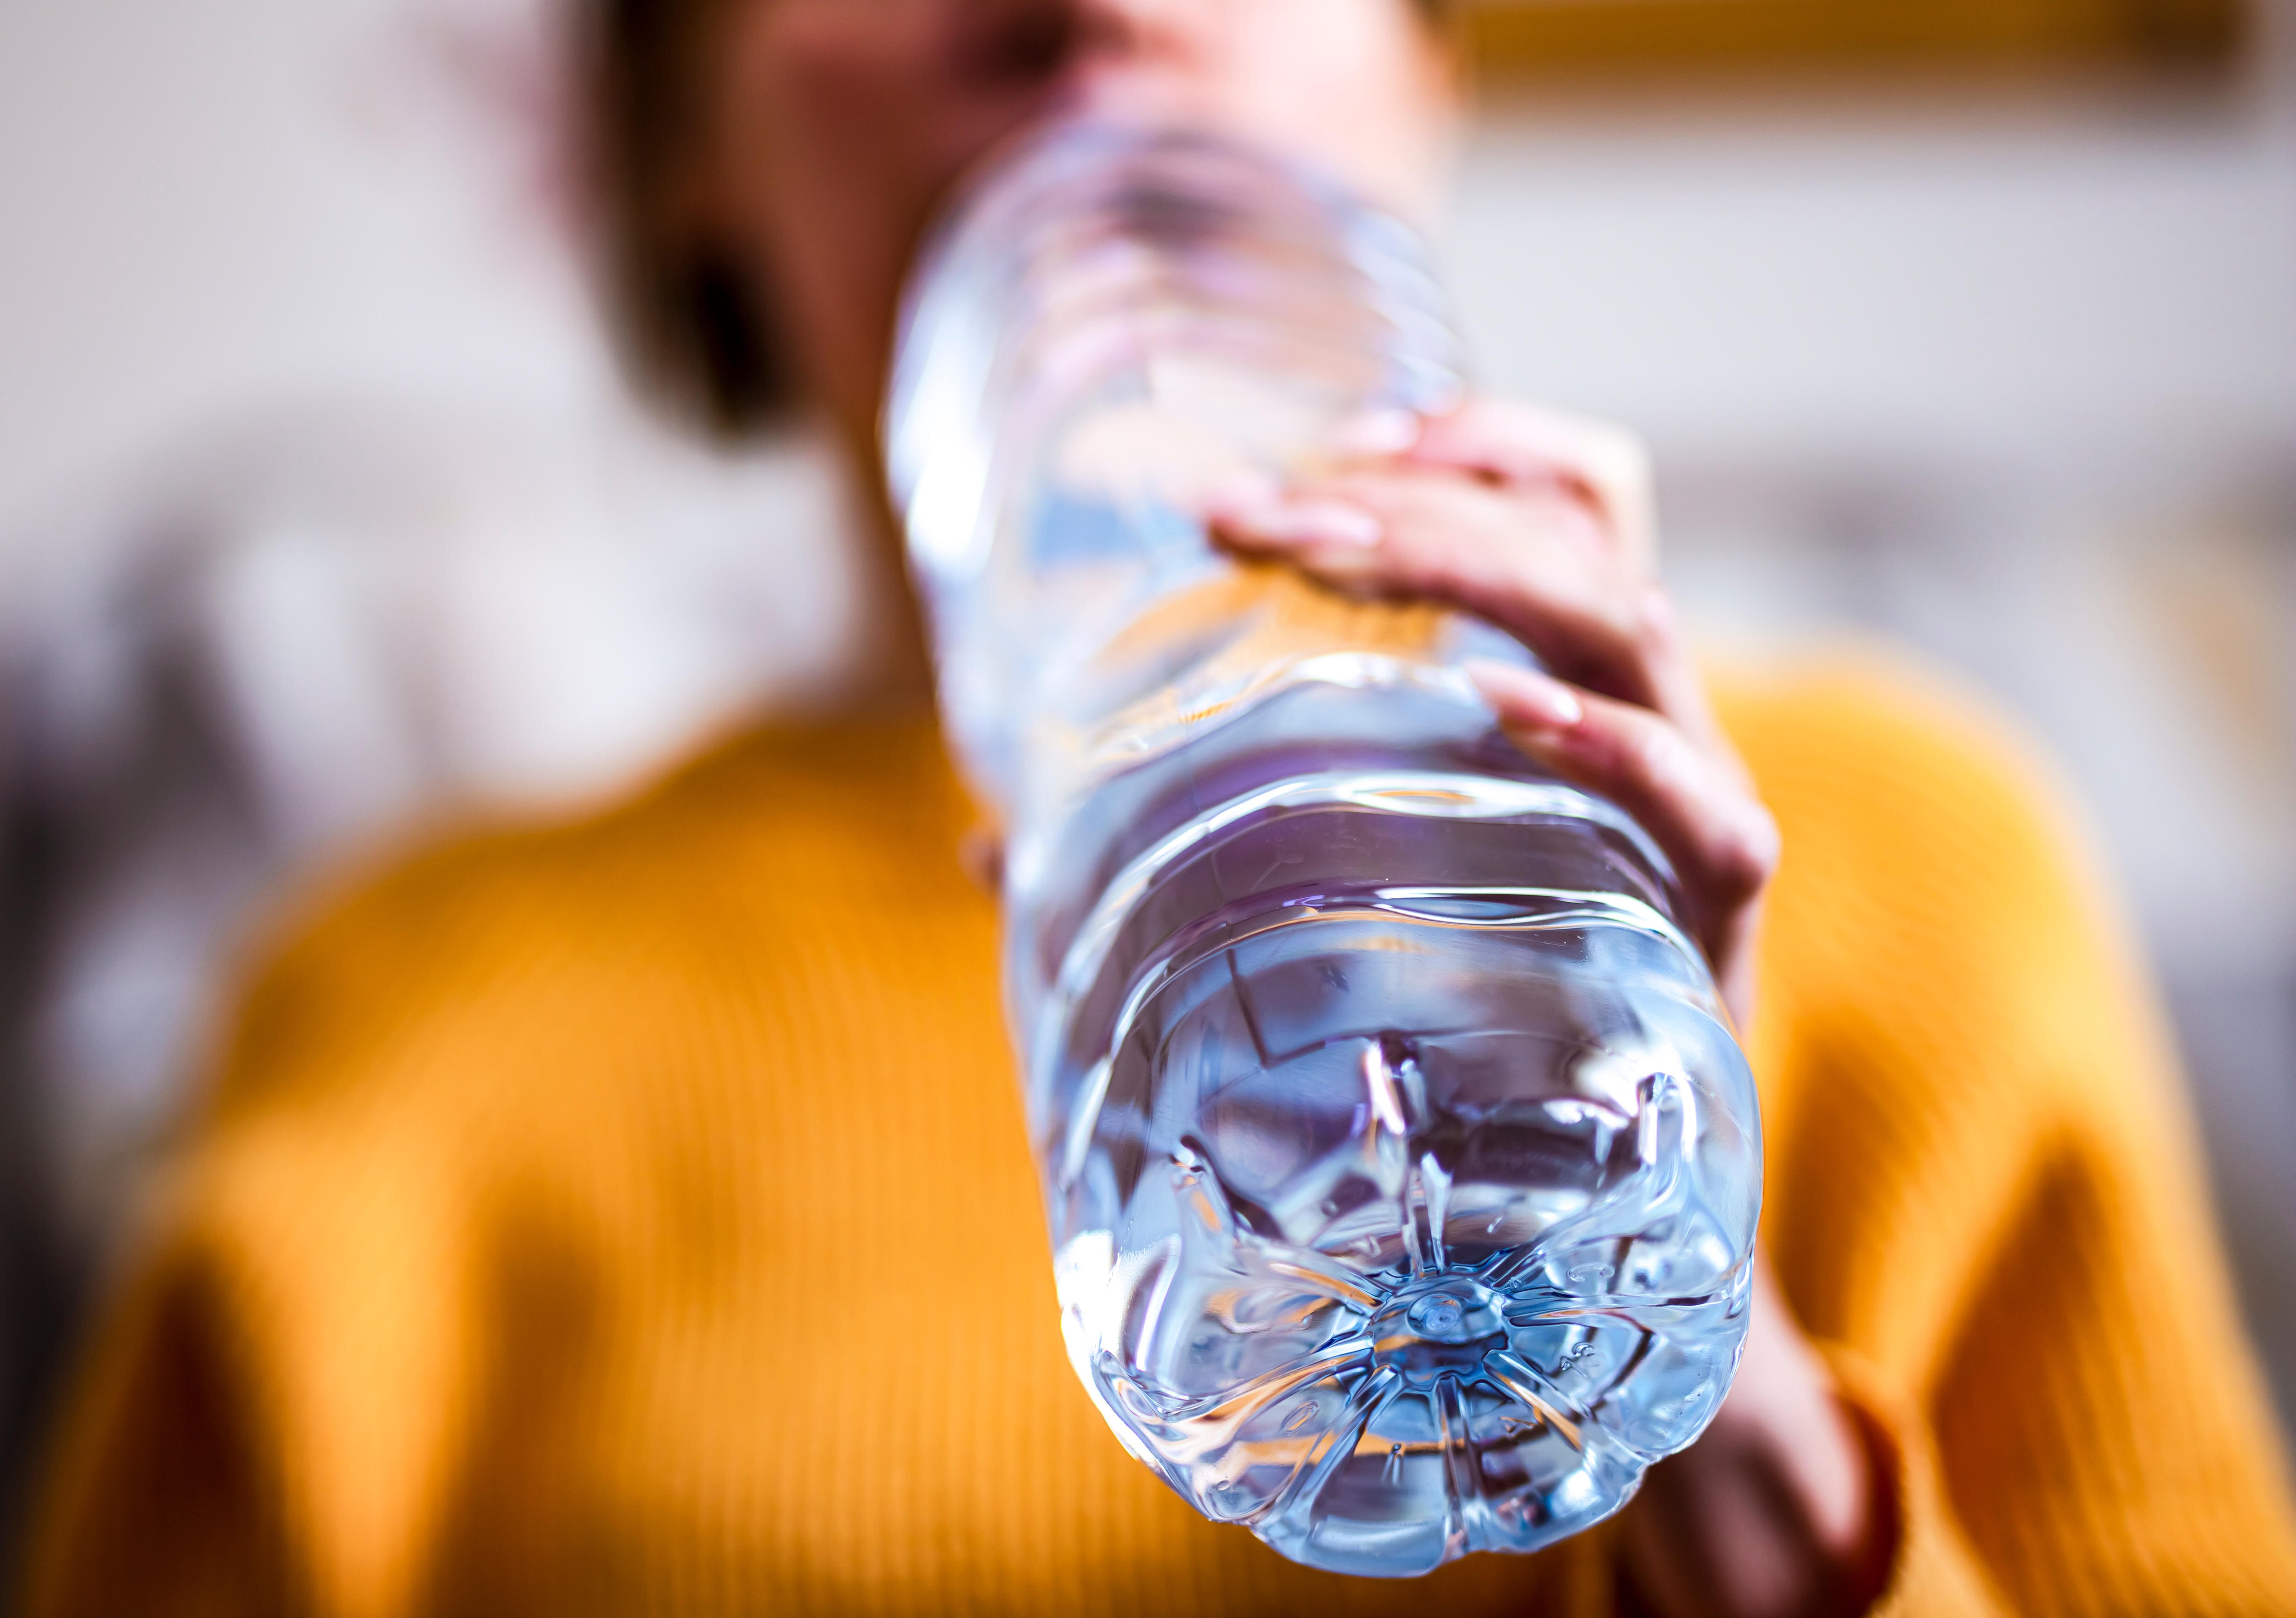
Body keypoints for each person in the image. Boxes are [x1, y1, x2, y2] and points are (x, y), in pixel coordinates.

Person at [23, 1, 2296, 1614]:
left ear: (1419, 70)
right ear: (676, 132)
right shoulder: (397, 1014)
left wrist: (1720, 1394)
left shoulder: (1907, 855)